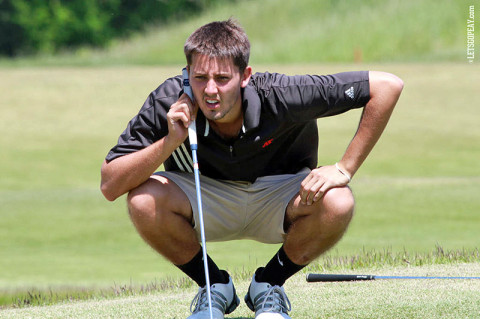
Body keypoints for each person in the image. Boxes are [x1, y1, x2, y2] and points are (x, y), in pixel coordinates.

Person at [100, 18, 403, 319]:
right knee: (143, 199)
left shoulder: (281, 94)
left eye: (222, 78)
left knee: (339, 200)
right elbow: (110, 185)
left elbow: (387, 86)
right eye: (199, 77)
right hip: (204, 195)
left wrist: (345, 168)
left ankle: (268, 285)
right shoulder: (169, 100)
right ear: (187, 74)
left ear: (245, 76)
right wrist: (170, 140)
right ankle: (214, 287)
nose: (209, 90)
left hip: (280, 193)